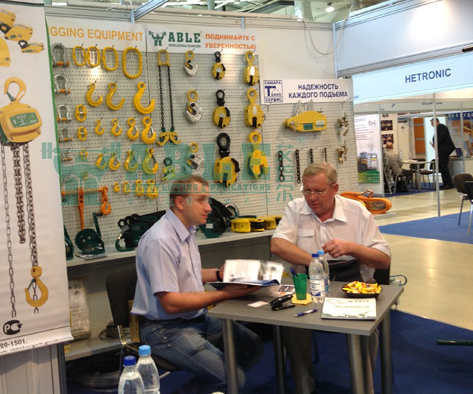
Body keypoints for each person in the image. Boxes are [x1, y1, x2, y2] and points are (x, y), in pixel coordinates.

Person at [132, 175, 263, 391]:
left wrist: (220, 274)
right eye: (202, 200)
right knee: (235, 379)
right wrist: (228, 293)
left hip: (195, 318)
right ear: (180, 202)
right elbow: (171, 303)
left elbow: (187, 274)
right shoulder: (160, 240)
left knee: (253, 347)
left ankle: (201, 386)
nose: (209, 208)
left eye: (207, 200)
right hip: (165, 329)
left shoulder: (186, 230)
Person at [270, 162, 391, 394]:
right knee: (293, 326)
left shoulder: (357, 211)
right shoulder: (295, 208)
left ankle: (364, 388)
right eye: (307, 190)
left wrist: (352, 248)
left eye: (318, 191)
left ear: (334, 188)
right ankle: (305, 389)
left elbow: (383, 260)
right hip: (309, 285)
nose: (311, 197)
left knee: (367, 330)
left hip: (354, 284)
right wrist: (315, 263)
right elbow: (277, 245)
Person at [430, 117, 456, 189]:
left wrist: (436, 142)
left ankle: (449, 183)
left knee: (443, 166)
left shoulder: (441, 126)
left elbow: (443, 136)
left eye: (432, 122)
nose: (431, 124)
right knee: (442, 166)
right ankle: (446, 183)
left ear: (436, 121)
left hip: (444, 149)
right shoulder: (439, 128)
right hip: (442, 149)